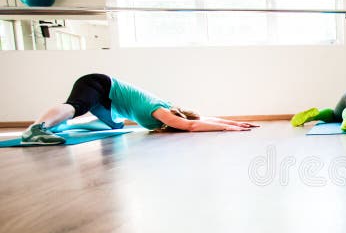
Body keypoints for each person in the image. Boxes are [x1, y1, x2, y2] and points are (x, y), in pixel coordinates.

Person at [20, 73, 259, 145]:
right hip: (100, 84)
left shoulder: (168, 110)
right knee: (77, 107)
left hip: (108, 102)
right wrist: (230, 130)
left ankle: (59, 124)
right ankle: (36, 128)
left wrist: (234, 123)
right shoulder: (160, 111)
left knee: (115, 124)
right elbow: (192, 125)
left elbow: (200, 117)